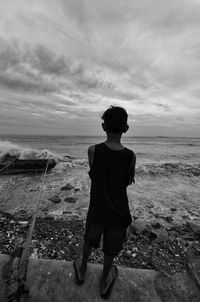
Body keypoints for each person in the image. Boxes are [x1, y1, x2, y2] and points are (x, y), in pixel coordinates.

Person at [73, 105, 136, 299]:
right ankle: (103, 281)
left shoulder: (93, 151)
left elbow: (96, 175)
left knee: (89, 240)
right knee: (110, 249)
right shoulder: (130, 156)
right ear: (126, 129)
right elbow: (128, 181)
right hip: (118, 212)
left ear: (103, 127)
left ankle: (82, 270)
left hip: (97, 210)